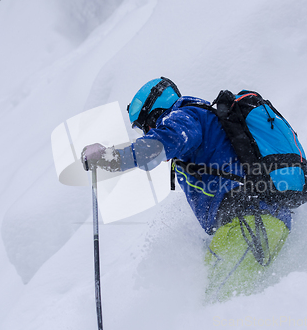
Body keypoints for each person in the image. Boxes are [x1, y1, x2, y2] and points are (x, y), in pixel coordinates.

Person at [81, 77, 292, 302]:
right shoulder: (202, 120)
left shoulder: (184, 117)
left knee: (216, 309)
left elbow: (154, 148)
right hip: (257, 223)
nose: (149, 133)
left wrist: (107, 158)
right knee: (229, 307)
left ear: (155, 113)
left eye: (147, 127)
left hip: (248, 224)